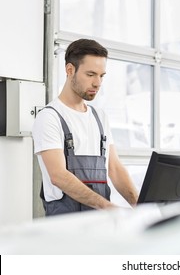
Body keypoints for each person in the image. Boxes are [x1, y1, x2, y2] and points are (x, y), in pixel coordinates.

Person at [32, 38, 139, 216]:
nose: (97, 83)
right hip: (66, 226)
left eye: (101, 75)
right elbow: (58, 176)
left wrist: (141, 206)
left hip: (100, 222)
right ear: (70, 70)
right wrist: (109, 208)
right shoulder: (49, 117)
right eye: (90, 75)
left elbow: (115, 169)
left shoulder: (99, 118)